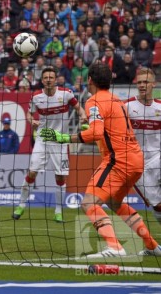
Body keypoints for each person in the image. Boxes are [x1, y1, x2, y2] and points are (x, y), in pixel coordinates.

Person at [40, 63, 161, 258]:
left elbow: (96, 132)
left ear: (89, 80)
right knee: (114, 203)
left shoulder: (93, 101)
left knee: (89, 203)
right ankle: (151, 245)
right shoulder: (117, 101)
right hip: (136, 161)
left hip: (118, 161)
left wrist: (63, 138)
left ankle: (114, 247)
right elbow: (107, 128)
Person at [14, 67, 87, 223]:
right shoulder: (36, 97)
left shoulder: (66, 94)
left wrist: (83, 116)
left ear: (56, 79)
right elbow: (29, 114)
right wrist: (31, 120)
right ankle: (20, 205)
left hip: (60, 141)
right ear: (42, 80)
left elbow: (79, 108)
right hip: (42, 139)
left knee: (60, 177)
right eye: (46, 77)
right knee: (32, 172)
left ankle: (58, 211)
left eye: (51, 77)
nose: (48, 79)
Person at [124, 67, 161, 226]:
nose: (142, 85)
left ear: (154, 84)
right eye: (139, 82)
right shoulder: (126, 106)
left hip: (158, 158)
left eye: (145, 82)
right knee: (157, 206)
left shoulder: (160, 107)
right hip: (137, 165)